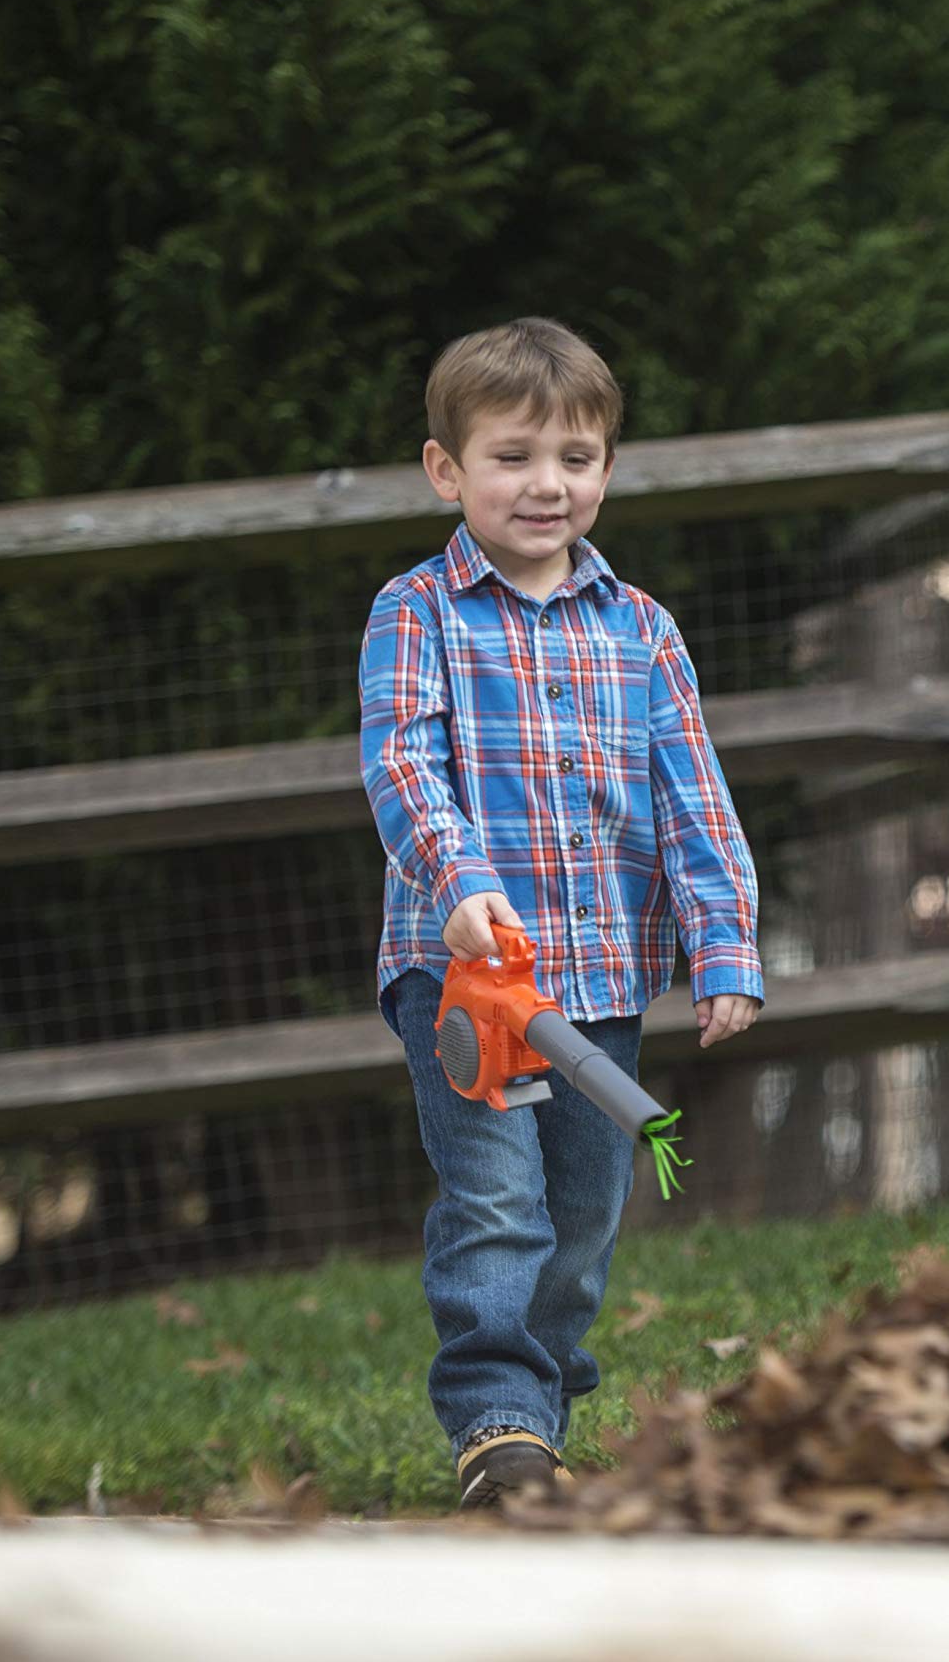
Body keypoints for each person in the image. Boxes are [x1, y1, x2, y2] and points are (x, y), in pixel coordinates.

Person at [358, 316, 764, 1513]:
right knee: (495, 1197)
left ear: (606, 469)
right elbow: (399, 761)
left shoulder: (641, 630)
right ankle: (497, 1423)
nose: (548, 484)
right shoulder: (418, 611)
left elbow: (696, 795)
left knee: (582, 1211)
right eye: (514, 456)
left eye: (575, 458)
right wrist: (457, 877)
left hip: (599, 981)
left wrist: (723, 941)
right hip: (466, 981)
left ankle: (542, 1405)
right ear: (449, 471)